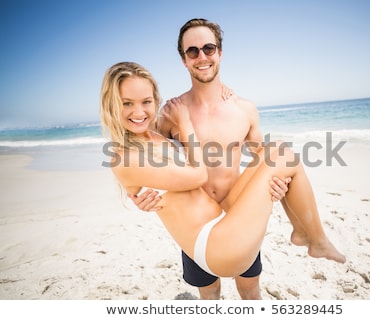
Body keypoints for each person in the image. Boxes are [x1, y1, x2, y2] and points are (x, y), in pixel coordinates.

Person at [129, 18, 345, 300]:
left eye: (208, 48)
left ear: (220, 52)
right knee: (209, 294)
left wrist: (281, 187)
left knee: (249, 290)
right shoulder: (172, 112)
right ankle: (314, 237)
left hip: (240, 213)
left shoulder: (244, 108)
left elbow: (262, 159)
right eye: (192, 51)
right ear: (183, 60)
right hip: (197, 224)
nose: (202, 57)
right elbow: (143, 156)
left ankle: (311, 236)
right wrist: (139, 198)